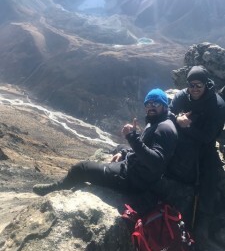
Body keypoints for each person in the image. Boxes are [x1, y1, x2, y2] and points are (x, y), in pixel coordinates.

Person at [33, 88, 178, 214]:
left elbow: (156, 162)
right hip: (140, 173)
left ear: (164, 106)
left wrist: (133, 138)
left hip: (130, 179)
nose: (150, 107)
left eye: (156, 103)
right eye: (148, 104)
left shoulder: (163, 128)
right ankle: (118, 155)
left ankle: (56, 189)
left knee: (81, 168)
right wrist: (125, 153)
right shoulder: (161, 122)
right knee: (119, 148)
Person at [168, 65, 225, 235]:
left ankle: (203, 223)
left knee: (210, 176)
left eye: (198, 85)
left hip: (204, 146)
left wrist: (187, 126)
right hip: (183, 140)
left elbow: (208, 137)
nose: (194, 89)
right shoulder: (182, 96)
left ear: (206, 84)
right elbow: (168, 112)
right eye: (191, 85)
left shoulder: (217, 105)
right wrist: (177, 118)